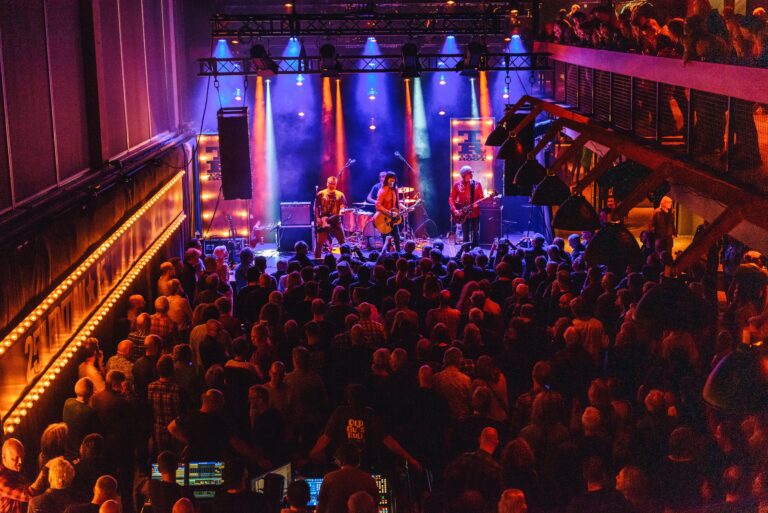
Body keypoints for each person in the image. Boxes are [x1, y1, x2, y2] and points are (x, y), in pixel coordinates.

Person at [316, 443, 379, 513]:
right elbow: (375, 507)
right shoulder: (369, 479)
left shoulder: (329, 478)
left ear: (340, 460)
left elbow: (321, 506)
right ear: (358, 459)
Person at [0, 439, 47, 513]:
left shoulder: (16, 472)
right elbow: (27, 495)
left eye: (22, 457)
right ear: (4, 457)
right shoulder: (1, 479)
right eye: (15, 458)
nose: (20, 462)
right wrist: (44, 471)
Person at [449, 166, 484, 248]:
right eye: (470, 173)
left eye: (472, 172)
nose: (472, 174)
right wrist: (454, 210)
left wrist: (477, 204)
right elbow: (451, 199)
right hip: (463, 213)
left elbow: (482, 199)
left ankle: (476, 250)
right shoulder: (457, 185)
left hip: (475, 212)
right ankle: (466, 252)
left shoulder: (477, 184)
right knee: (465, 233)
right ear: (464, 175)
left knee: (475, 232)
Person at [62, 378, 101, 450]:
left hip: (68, 445)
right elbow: (98, 433)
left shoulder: (68, 402)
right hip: (82, 448)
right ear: (91, 393)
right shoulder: (90, 412)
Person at [315, 176, 347, 259]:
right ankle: (317, 262)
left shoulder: (340, 195)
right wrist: (317, 218)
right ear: (327, 183)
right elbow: (315, 207)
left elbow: (342, 207)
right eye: (330, 183)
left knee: (343, 244)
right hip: (323, 222)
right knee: (319, 245)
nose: (332, 185)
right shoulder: (321, 194)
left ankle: (346, 261)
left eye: (334, 184)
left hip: (336, 222)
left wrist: (341, 212)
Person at [374, 172, 405, 251]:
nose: (392, 181)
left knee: (397, 238)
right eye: (390, 179)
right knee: (386, 240)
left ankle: (398, 255)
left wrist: (406, 208)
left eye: (393, 180)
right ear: (387, 180)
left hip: (393, 218)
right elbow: (378, 205)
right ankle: (385, 256)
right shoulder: (382, 191)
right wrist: (389, 213)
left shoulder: (395, 190)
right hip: (384, 218)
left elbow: (397, 203)